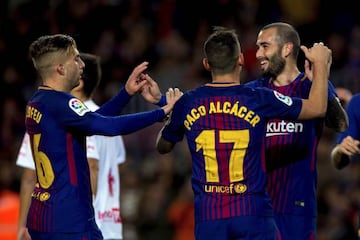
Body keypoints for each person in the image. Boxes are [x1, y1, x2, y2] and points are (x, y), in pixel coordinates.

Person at [156, 26, 332, 240]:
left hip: (210, 218)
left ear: (206, 64)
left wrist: (170, 115)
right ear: (240, 59)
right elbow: (317, 108)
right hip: (252, 213)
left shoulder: (188, 103)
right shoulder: (258, 98)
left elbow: (163, 146)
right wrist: (321, 65)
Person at [23, 33, 181, 240]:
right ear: (60, 68)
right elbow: (107, 127)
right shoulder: (62, 103)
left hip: (42, 214)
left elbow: (93, 121)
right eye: (76, 59)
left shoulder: (37, 101)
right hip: (69, 220)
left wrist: (126, 93)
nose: (82, 65)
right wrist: (162, 111)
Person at [244, 22, 348, 239]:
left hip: (296, 207)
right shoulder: (252, 92)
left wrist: (320, 77)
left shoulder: (312, 86)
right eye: (258, 47)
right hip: (255, 206)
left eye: (265, 46)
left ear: (286, 49)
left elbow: (340, 124)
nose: (258, 54)